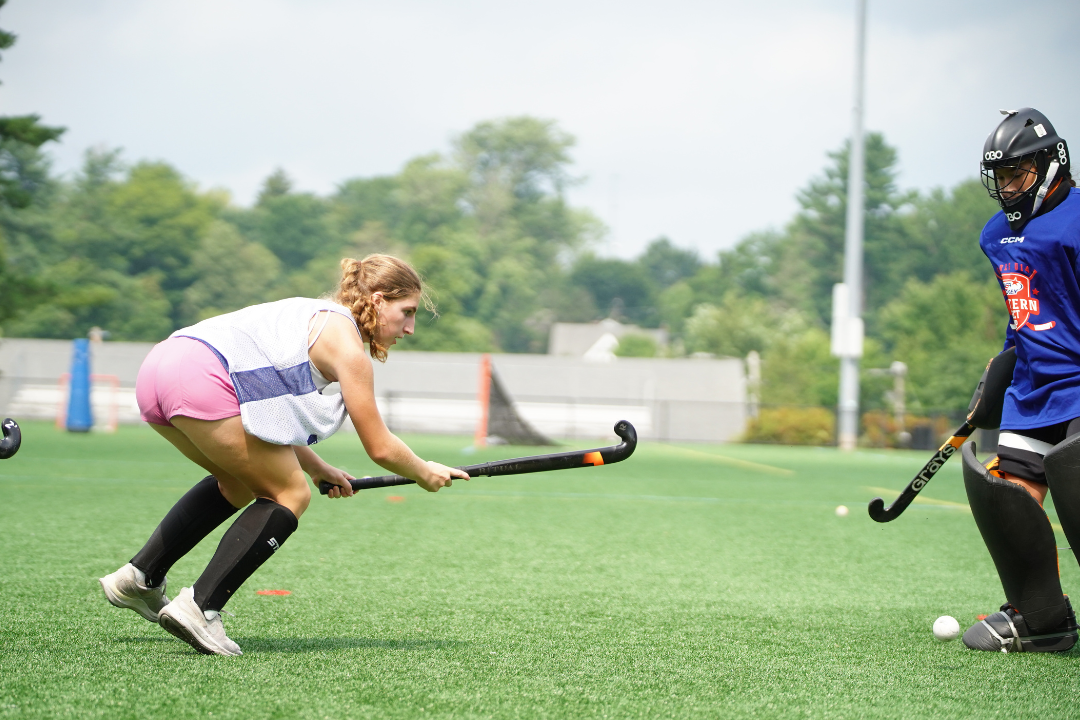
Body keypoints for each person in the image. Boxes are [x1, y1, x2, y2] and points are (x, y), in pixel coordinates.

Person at [99, 254, 469, 656]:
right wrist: (423, 472)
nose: (410, 328)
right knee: (290, 495)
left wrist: (317, 466)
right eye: (407, 312)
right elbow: (379, 446)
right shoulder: (348, 349)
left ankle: (140, 577)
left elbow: (263, 418)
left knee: (238, 483)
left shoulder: (311, 314)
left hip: (160, 368)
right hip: (202, 377)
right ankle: (200, 607)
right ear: (378, 300)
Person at [961, 108, 1080, 652]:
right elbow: (1022, 310)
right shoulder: (995, 234)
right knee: (1007, 494)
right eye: (1001, 177)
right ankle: (1041, 618)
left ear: (1050, 164)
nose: (1008, 187)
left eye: (1019, 174)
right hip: (1032, 388)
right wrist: (1001, 369)